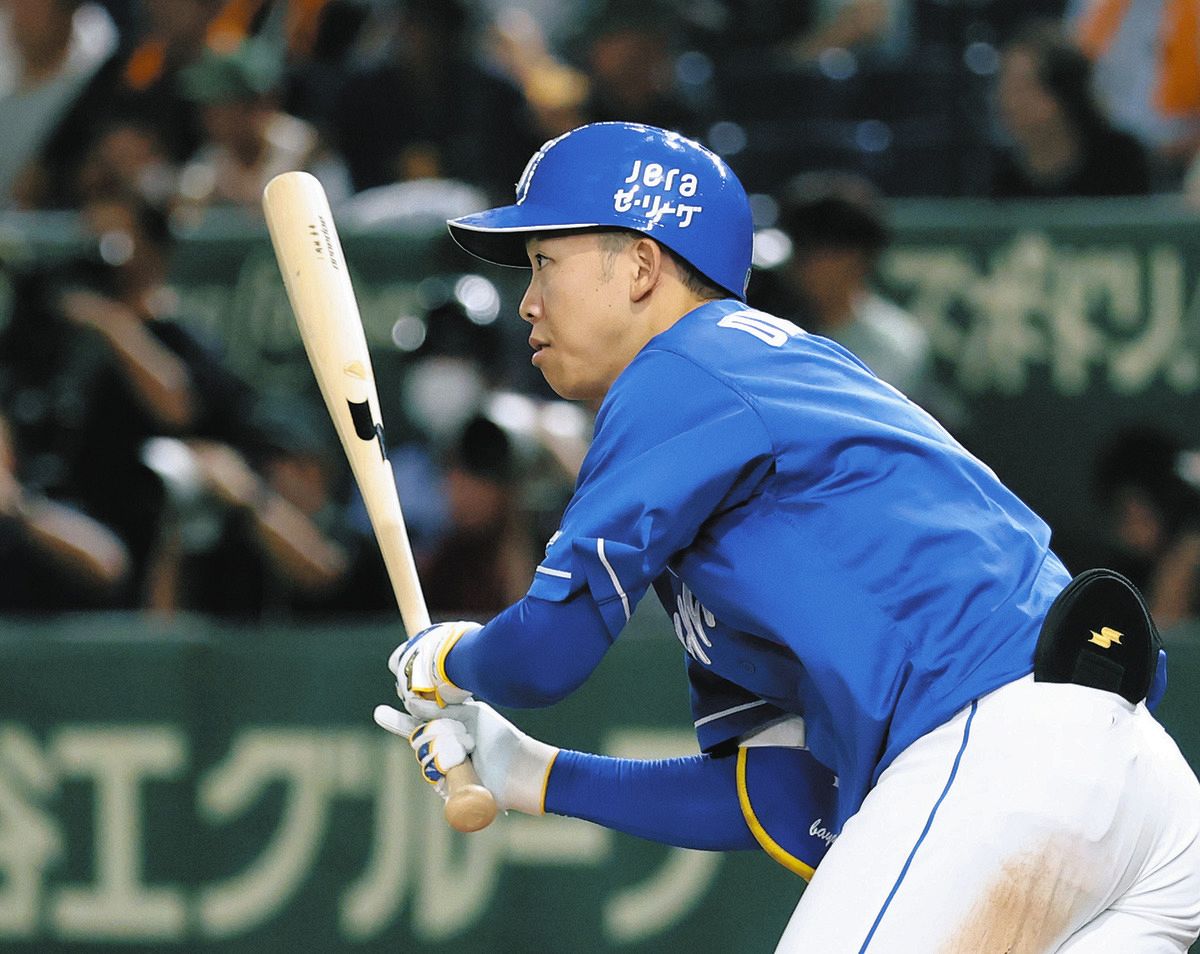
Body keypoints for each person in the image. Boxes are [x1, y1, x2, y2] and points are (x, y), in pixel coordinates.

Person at [372, 122, 1200, 951]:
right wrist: (537, 775)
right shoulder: (748, 398)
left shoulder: (685, 368)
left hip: (1001, 747)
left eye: (546, 260)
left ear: (640, 266)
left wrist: (448, 660)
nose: (527, 299)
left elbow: (545, 655)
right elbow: (777, 787)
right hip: (1136, 792)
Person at [990, 20, 1151, 199]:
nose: (1009, 102)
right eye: (1005, 86)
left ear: (1063, 94)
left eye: (1024, 88)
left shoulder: (1122, 162)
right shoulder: (1000, 178)